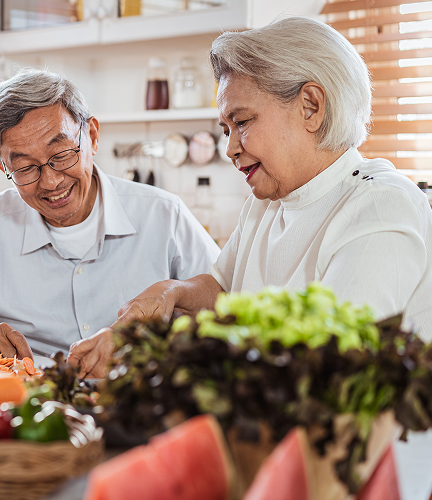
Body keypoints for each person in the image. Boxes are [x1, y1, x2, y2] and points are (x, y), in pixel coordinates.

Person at [85, 16, 432, 376]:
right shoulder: (267, 201)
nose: (230, 148)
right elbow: (223, 292)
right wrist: (169, 292)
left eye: (243, 122)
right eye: (225, 129)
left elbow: (330, 364)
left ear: (310, 107)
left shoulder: (380, 205)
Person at [0, 68, 220, 375]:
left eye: (61, 154)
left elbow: (227, 302)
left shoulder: (163, 214)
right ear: (1, 166)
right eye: (25, 168)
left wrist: (171, 297)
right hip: (33, 415)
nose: (50, 182)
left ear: (91, 136)